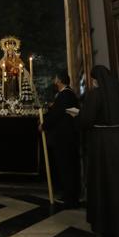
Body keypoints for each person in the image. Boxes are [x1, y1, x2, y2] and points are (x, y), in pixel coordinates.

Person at [79, 65, 119, 237]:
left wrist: (78, 116)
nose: (92, 82)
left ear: (96, 79)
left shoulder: (95, 95)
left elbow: (86, 121)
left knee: (105, 183)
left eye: (92, 79)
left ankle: (107, 225)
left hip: (103, 143)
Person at [40, 69, 81, 208]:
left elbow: (57, 114)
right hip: (65, 137)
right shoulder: (65, 95)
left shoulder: (65, 95)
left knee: (67, 166)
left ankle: (71, 197)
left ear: (59, 80)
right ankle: (68, 193)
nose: (54, 81)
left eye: (55, 78)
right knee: (66, 166)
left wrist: (44, 125)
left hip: (65, 138)